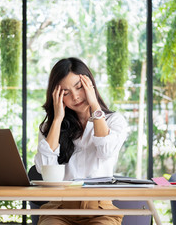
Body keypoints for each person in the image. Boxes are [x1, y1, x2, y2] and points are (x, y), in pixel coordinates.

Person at [34, 57, 128, 225]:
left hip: (100, 210)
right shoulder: (50, 128)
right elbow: (44, 168)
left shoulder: (114, 121)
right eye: (66, 93)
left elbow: (105, 151)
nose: (76, 97)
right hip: (59, 208)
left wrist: (95, 106)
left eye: (79, 87)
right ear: (57, 97)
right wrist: (57, 120)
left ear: (90, 85)